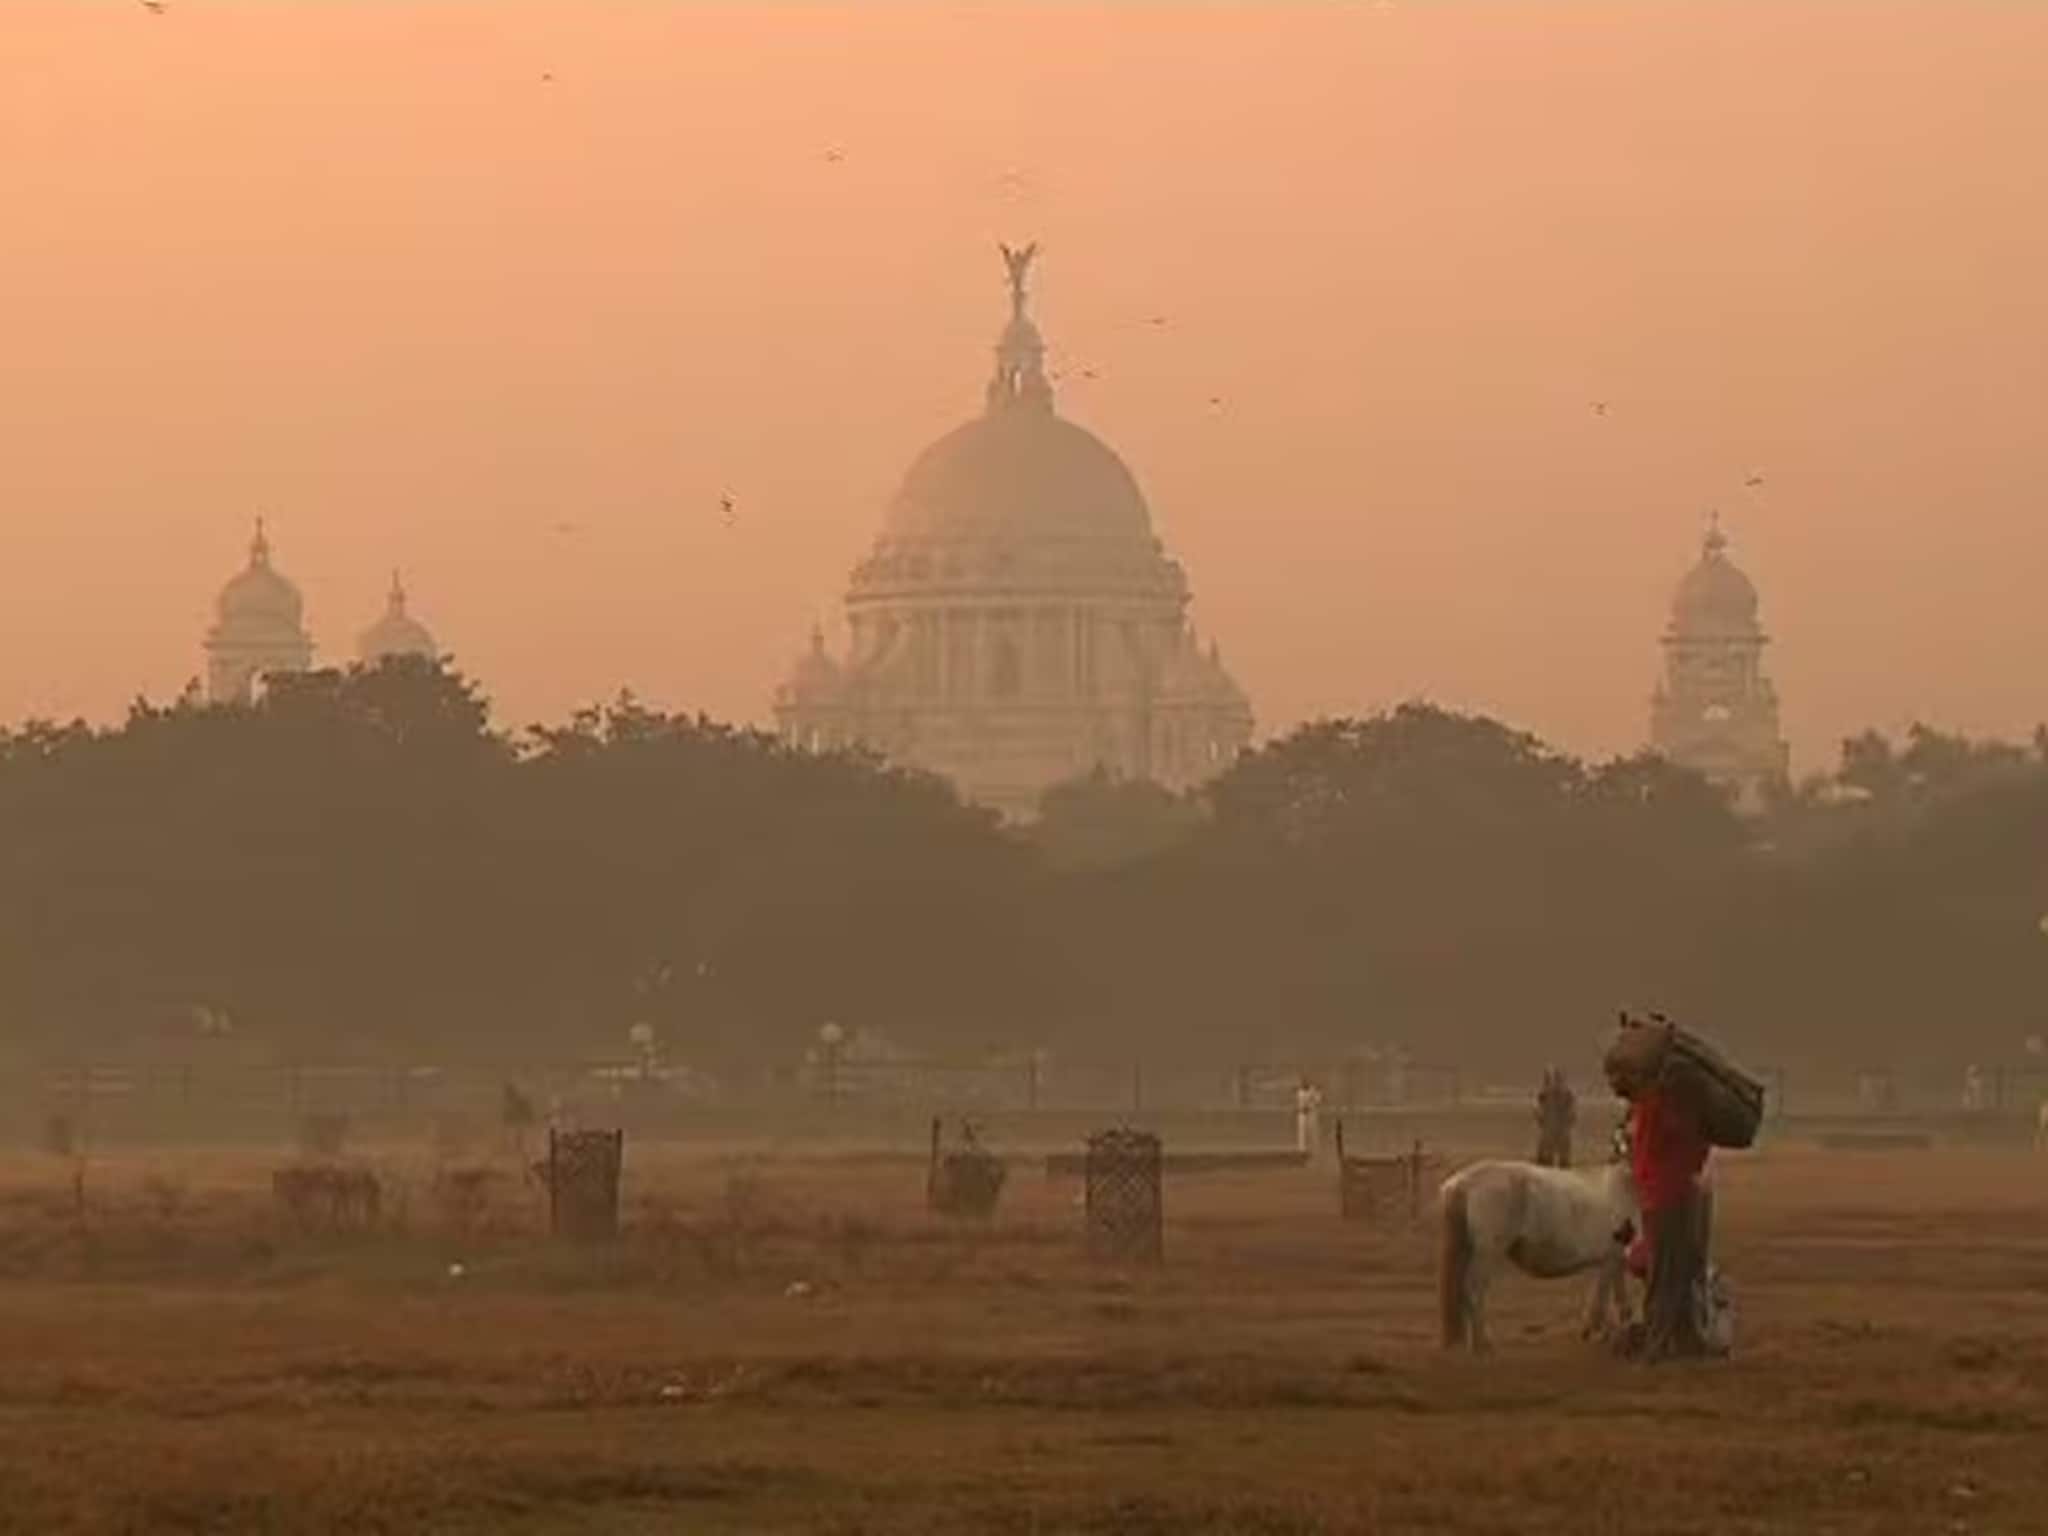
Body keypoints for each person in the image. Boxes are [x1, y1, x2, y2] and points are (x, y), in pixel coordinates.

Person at [1609, 1055, 1712, 1360]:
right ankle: (1664, 1342)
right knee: (1670, 1271)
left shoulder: (1649, 1106)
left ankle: (1677, 1339)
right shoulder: (1667, 1110)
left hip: (1660, 1196)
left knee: (1671, 1270)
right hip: (1671, 1196)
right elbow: (1695, 1151)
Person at [1533, 1066, 1577, 1167]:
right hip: (1551, 1125)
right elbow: (1538, 1108)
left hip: (1558, 1126)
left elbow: (1572, 1110)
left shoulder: (1566, 1094)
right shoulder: (1545, 1093)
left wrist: (1570, 1120)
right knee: (1547, 1153)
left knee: (1561, 1154)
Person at [1294, 1077, 1324, 1160]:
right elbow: (1300, 1103)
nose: (1303, 1083)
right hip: (1302, 1114)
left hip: (1311, 1114)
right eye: (1302, 1082)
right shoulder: (1300, 1092)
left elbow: (1318, 1100)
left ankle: (1314, 1151)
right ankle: (1302, 1152)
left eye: (1305, 1082)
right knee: (1302, 1134)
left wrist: (1316, 1094)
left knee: (1312, 1132)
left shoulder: (1312, 1090)